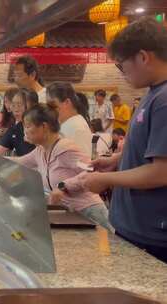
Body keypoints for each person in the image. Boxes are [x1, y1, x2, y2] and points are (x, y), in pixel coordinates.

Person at [82, 17, 167, 263]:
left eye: (121, 65)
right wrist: (117, 160)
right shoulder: (154, 94)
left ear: (143, 57)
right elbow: (151, 151)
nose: (123, 73)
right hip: (134, 225)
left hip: (152, 233)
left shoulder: (164, 100)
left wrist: (106, 179)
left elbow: (161, 172)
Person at [12, 104, 113, 231]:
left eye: (27, 126)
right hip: (71, 215)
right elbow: (20, 162)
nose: (25, 131)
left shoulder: (66, 148)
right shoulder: (41, 150)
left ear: (44, 127)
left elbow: (91, 171)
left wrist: (63, 186)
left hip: (89, 212)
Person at [46, 82, 93, 156]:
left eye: (52, 105)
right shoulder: (66, 123)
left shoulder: (77, 127)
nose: (49, 110)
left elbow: (84, 163)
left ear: (67, 102)